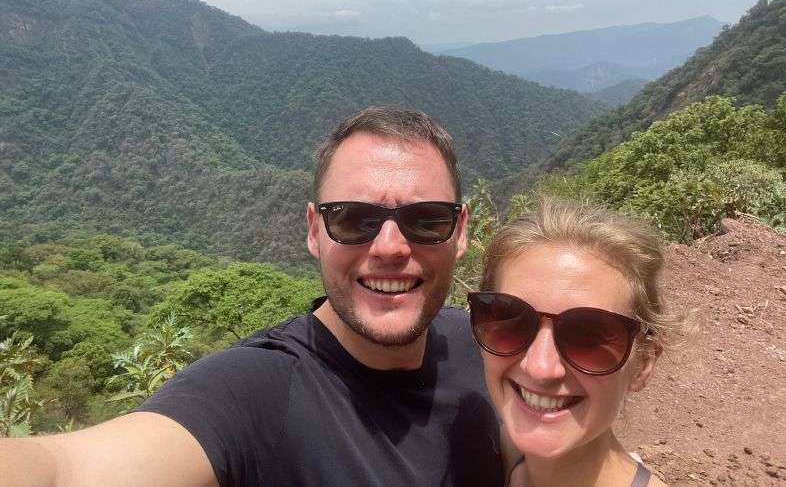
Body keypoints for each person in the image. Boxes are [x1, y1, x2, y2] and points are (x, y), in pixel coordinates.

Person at [0, 106, 504, 487]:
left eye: (426, 220)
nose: (390, 247)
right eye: (354, 219)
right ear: (314, 231)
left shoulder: (496, 347)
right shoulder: (255, 392)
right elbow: (65, 471)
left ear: (460, 232)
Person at [468, 197, 683, 487]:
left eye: (588, 337)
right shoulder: (502, 449)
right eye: (511, 322)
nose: (540, 368)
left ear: (643, 364)